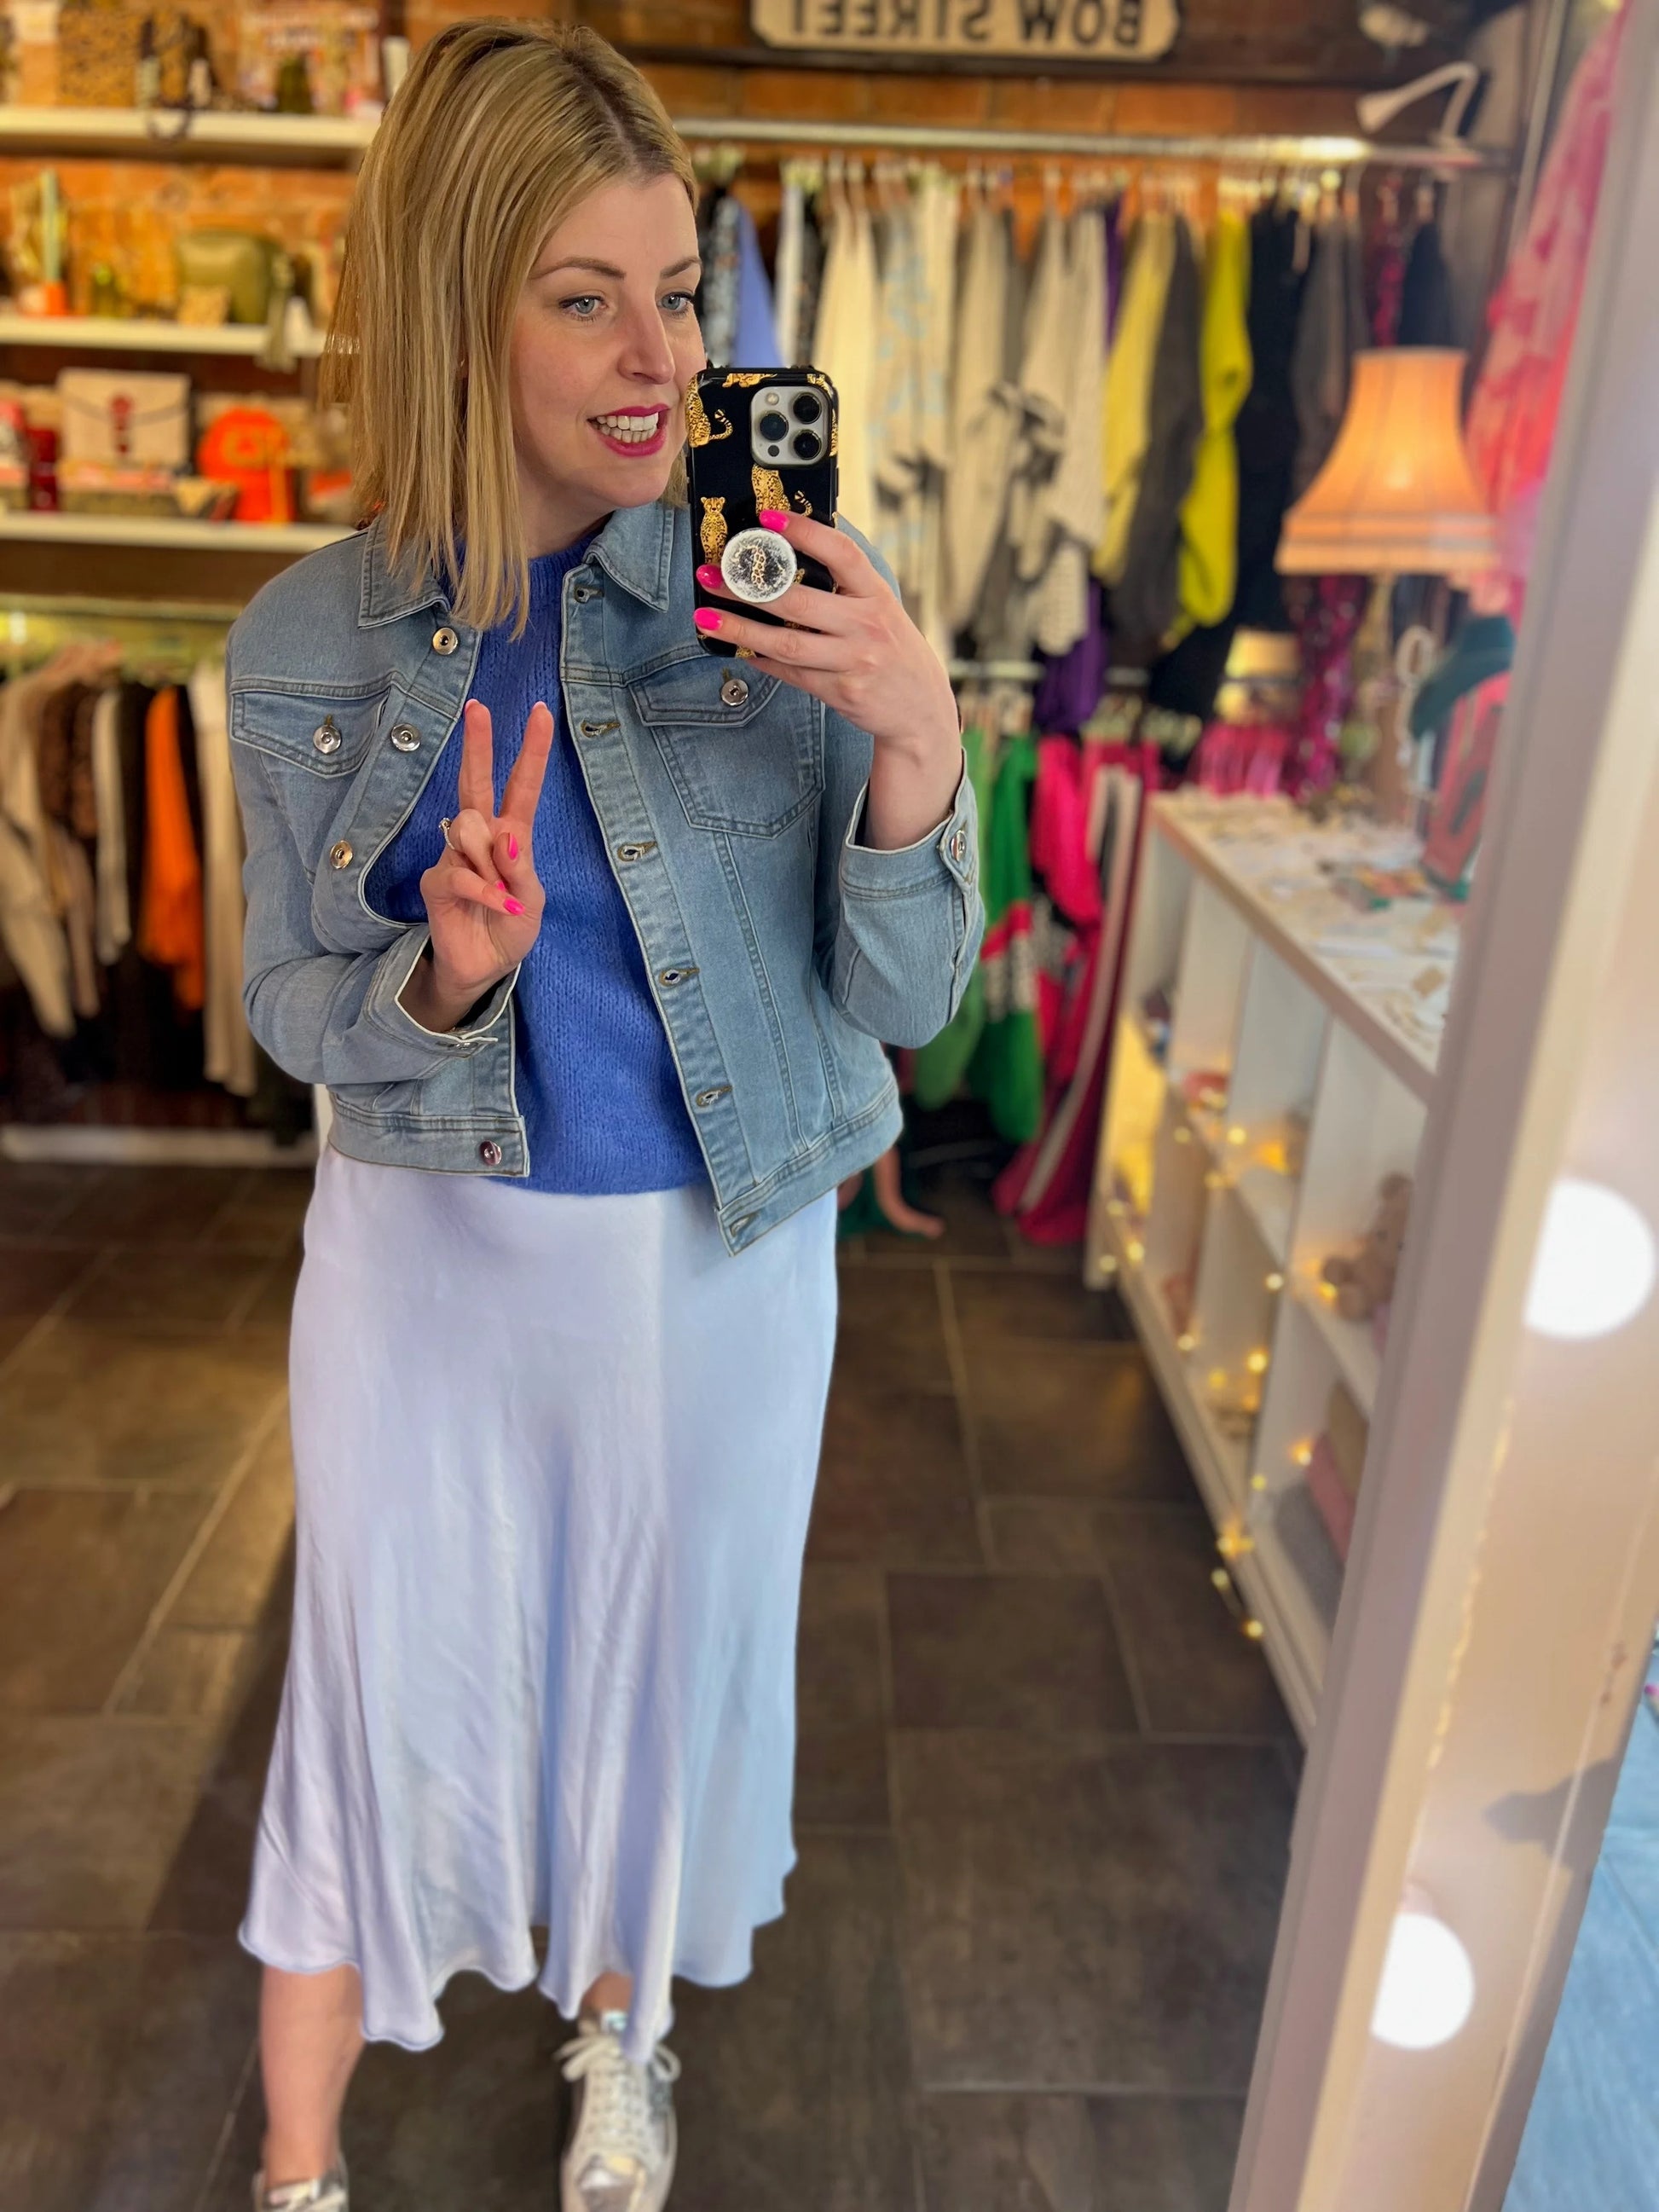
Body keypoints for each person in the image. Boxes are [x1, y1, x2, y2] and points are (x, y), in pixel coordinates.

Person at [225, 22, 982, 2212]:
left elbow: (904, 995)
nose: (659, 359)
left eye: (683, 294)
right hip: (427, 1268)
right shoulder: (306, 641)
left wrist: (922, 751)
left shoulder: (783, 609)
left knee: (657, 1684)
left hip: (718, 1267)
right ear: (466, 305)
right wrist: (443, 971)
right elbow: (295, 1008)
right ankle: (295, 2161)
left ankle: (621, 2036)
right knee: (375, 1684)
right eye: (586, 297)